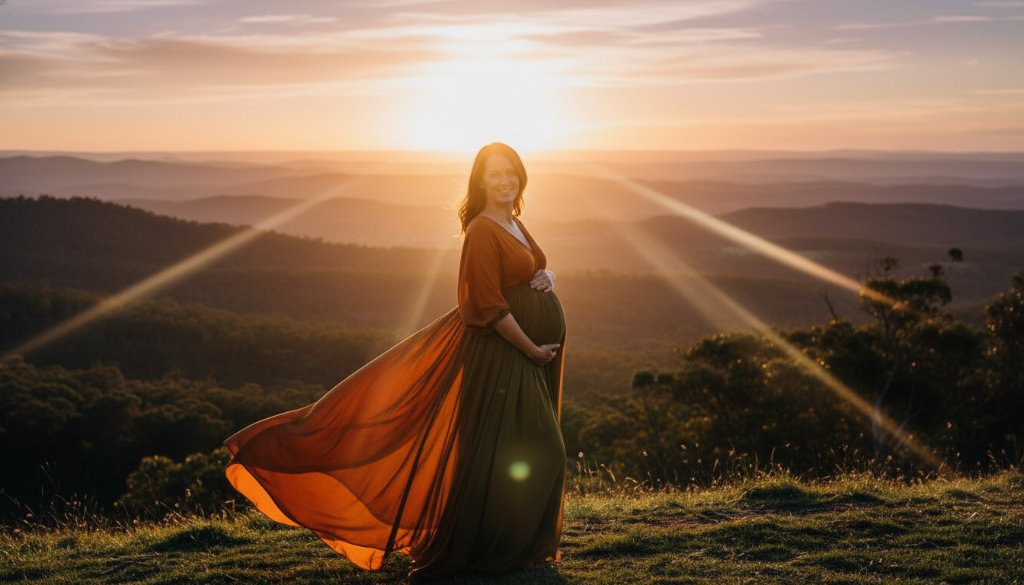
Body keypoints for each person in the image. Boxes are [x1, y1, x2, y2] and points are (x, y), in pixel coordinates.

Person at [222, 142, 568, 581]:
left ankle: (518, 549)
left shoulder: (513, 222)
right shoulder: (482, 229)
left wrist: (548, 275)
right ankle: (498, 549)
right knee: (544, 449)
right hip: (505, 355)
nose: (505, 180)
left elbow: (530, 269)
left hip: (527, 355)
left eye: (510, 172)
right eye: (494, 174)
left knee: (512, 453)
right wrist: (531, 349)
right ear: (480, 182)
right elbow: (485, 305)